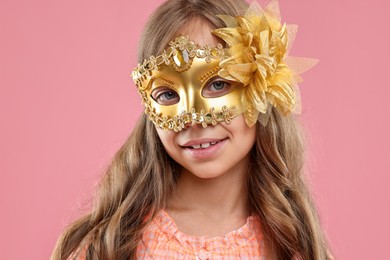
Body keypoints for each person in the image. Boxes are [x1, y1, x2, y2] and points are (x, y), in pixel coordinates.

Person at [52, 0, 332, 259]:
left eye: (218, 84)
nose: (193, 118)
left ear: (262, 87)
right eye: (168, 94)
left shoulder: (293, 241)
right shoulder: (113, 244)